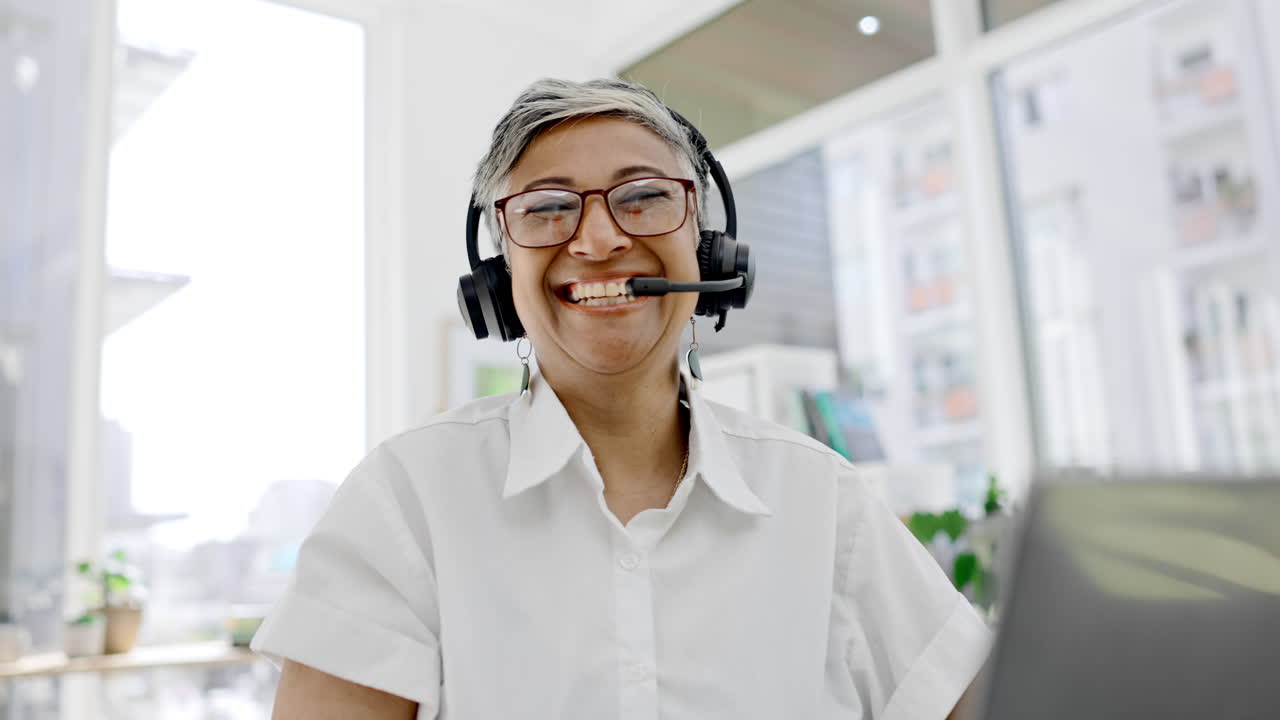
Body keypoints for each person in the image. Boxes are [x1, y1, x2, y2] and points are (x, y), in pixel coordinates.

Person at [252, 78, 991, 719]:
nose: (599, 239)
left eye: (643, 197)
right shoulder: (408, 500)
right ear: (496, 278)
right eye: (546, 208)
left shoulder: (825, 502)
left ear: (707, 249)